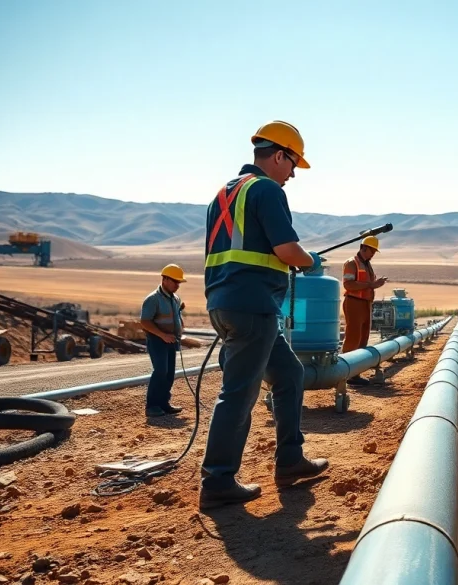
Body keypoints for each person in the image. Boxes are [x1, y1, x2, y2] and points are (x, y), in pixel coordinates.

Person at [199, 120, 329, 510]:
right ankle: (218, 479)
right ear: (278, 156)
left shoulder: (223, 194)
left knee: (289, 374)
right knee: (239, 393)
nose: (293, 174)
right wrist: (308, 262)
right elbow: (287, 250)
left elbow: (251, 249)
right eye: (293, 164)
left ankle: (290, 459)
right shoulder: (267, 190)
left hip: (228, 302)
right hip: (251, 305)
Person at [139, 264, 187, 417]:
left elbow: (176, 316)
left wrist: (180, 327)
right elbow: (145, 321)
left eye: (179, 282)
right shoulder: (153, 299)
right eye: (175, 281)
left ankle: (163, 403)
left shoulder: (176, 299)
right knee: (160, 371)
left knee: (169, 374)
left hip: (172, 341)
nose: (177, 285)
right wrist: (162, 335)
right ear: (165, 279)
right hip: (157, 341)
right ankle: (152, 406)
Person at [341, 237, 387, 385]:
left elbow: (367, 285)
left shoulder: (367, 265)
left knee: (363, 338)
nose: (373, 253)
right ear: (364, 248)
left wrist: (374, 285)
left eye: (374, 251)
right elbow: (348, 285)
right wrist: (371, 284)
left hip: (366, 304)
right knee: (353, 337)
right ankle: (345, 372)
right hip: (354, 303)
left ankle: (356, 373)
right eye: (372, 250)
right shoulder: (351, 263)